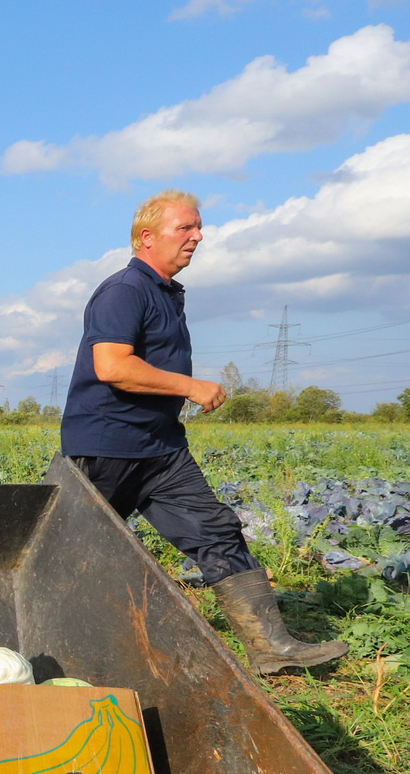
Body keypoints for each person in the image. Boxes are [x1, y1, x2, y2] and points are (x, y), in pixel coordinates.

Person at [61, 190, 346, 675]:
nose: (197, 237)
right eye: (185, 228)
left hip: (161, 450)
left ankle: (270, 647)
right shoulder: (124, 290)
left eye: (199, 229)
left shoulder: (165, 292)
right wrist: (191, 386)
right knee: (66, 552)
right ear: (146, 237)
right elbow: (111, 367)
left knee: (217, 532)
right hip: (105, 448)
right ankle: (39, 644)